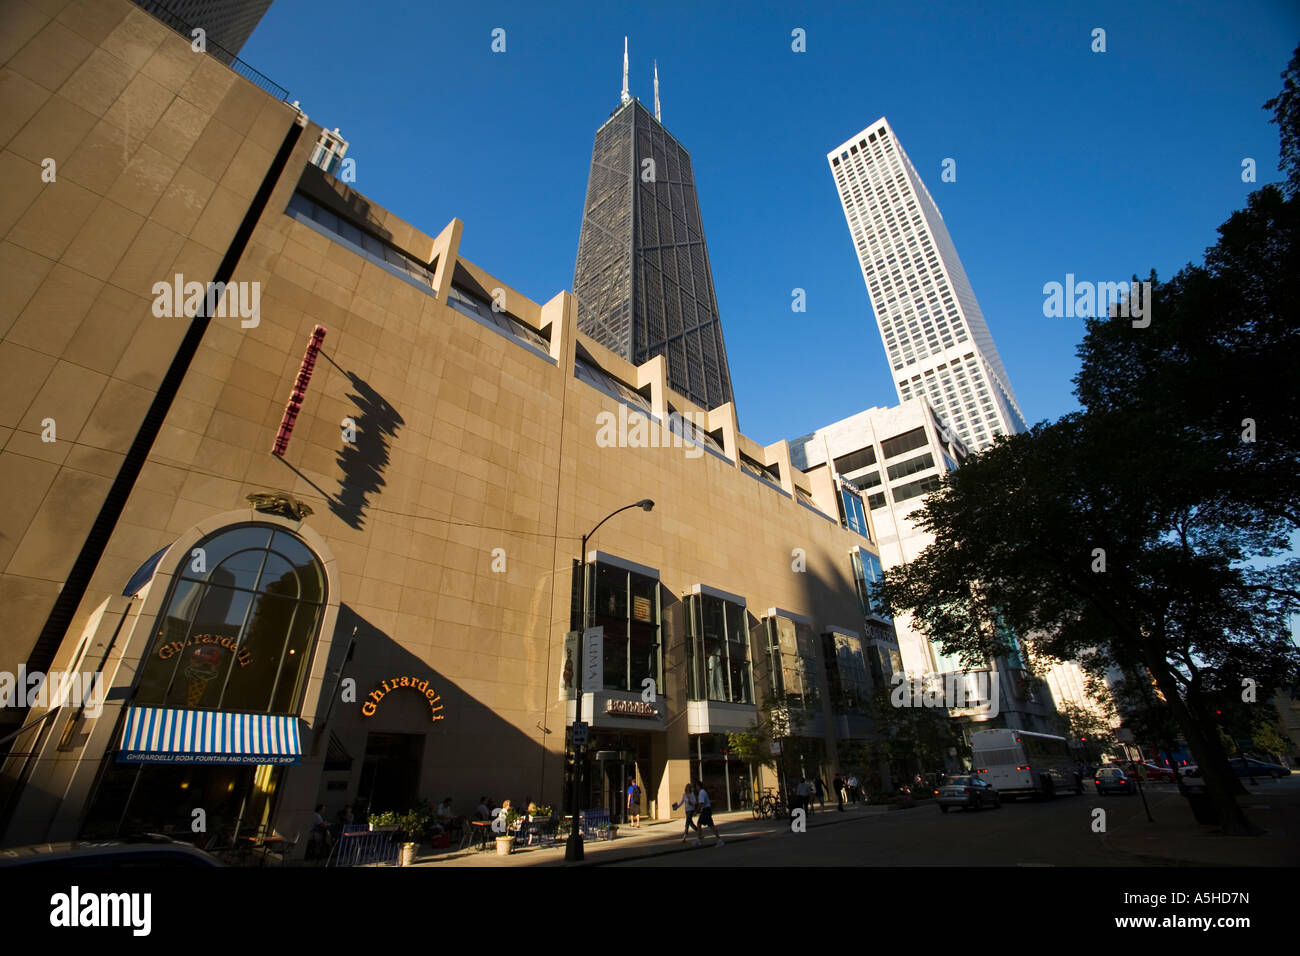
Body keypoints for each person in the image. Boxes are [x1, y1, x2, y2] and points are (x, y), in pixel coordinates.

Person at [694, 781, 724, 847]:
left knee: (708, 825)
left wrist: (697, 810)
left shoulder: (701, 792)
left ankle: (719, 840)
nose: (695, 788)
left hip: (706, 810)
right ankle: (699, 840)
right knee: (703, 824)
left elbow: (701, 803)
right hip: (707, 810)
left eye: (696, 787)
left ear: (698, 786)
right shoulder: (703, 792)